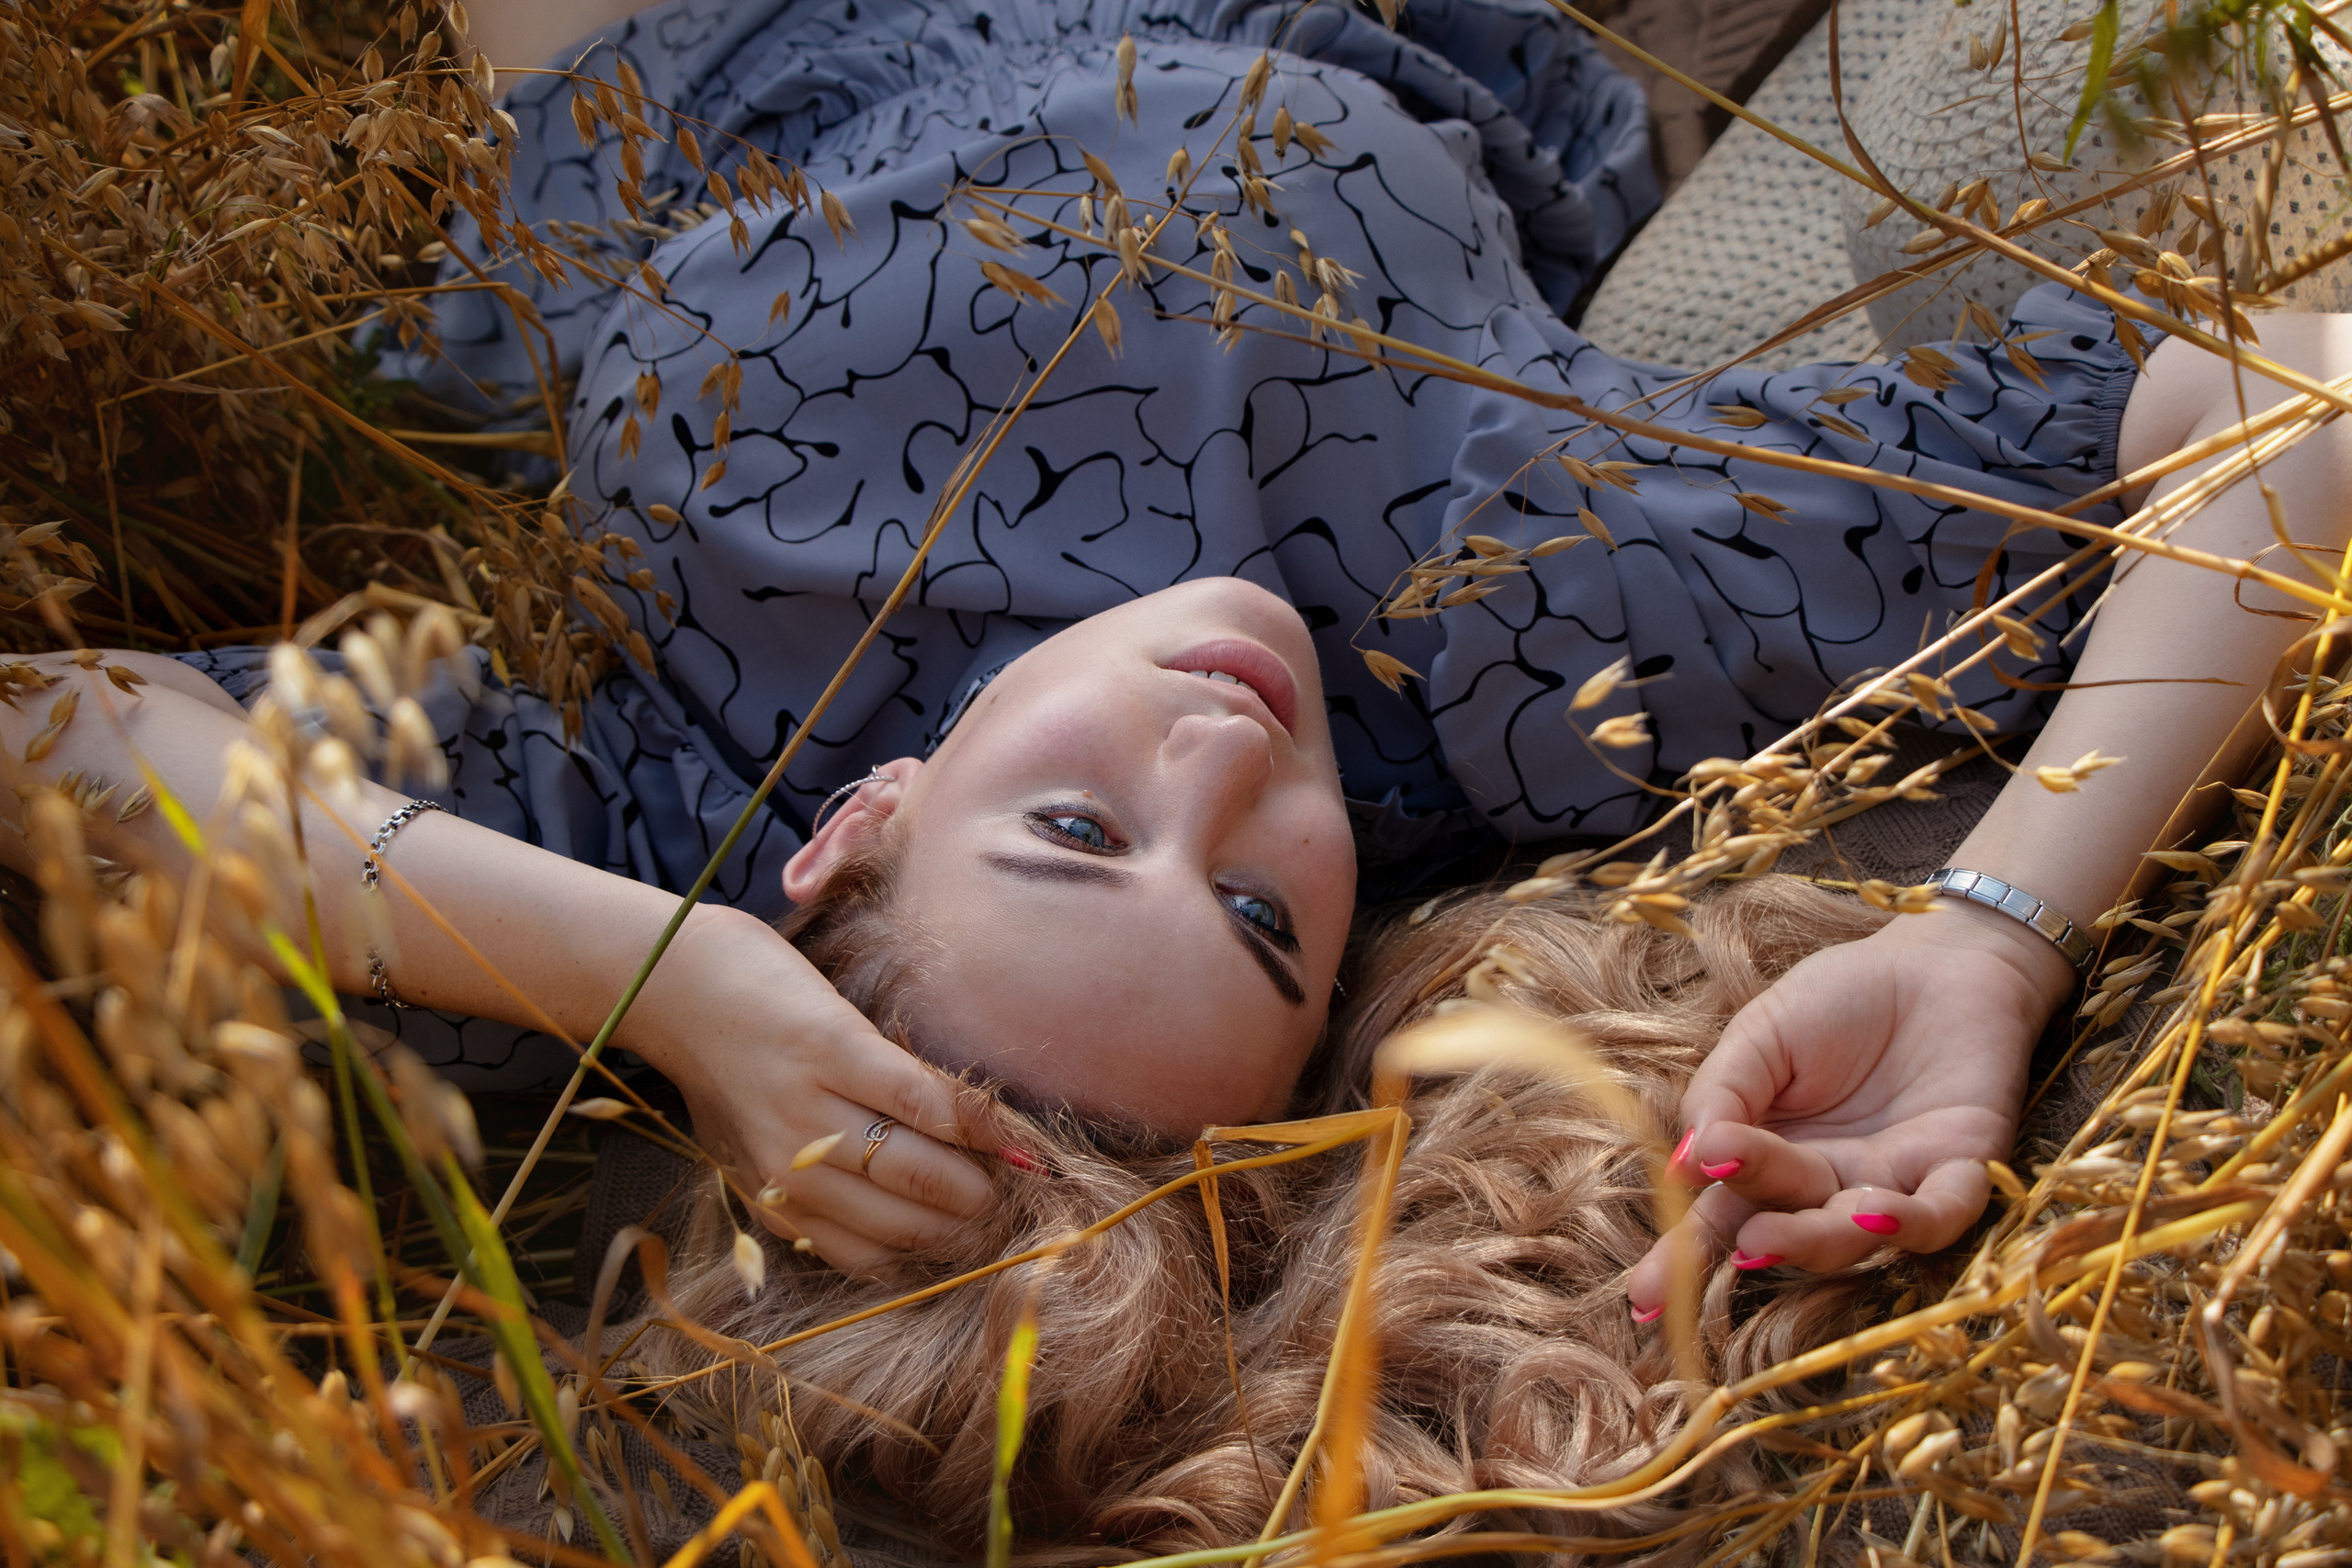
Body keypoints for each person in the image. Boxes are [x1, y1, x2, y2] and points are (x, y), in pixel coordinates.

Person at [5, 0, 2349, 1325]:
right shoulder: (1523, 641)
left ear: (861, 829)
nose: (1223, 767)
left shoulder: (671, 799)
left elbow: (58, 733)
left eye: (1069, 830)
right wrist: (1989, 942)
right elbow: (2299, 404)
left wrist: (664, 985)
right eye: (1255, 908)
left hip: (654, 73)